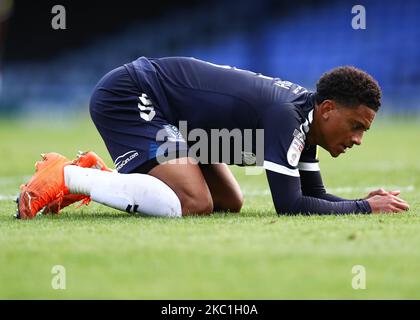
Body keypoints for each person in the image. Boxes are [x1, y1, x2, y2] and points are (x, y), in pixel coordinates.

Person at [16, 56, 410, 219]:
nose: (358, 139)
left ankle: (97, 175)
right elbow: (289, 205)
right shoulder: (287, 118)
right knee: (195, 201)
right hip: (134, 92)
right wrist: (363, 209)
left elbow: (315, 195)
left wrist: (365, 201)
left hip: (185, 124)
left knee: (228, 201)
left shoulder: (306, 125)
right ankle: (66, 175)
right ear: (327, 110)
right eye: (356, 126)